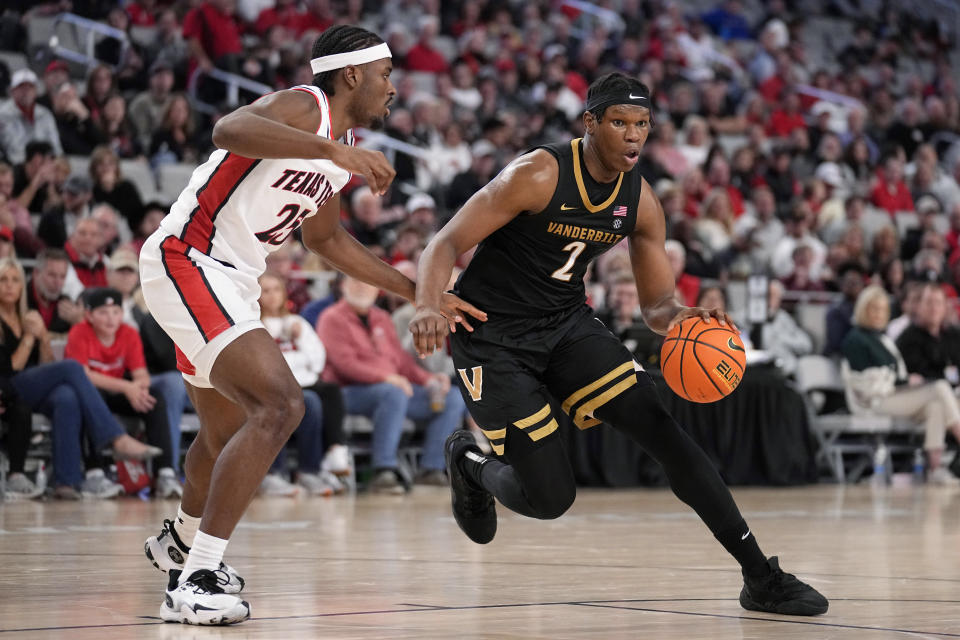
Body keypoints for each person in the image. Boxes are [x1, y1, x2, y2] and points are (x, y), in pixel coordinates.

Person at [410, 72, 828, 617]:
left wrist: (684, 319)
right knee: (551, 499)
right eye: (619, 122)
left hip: (565, 325)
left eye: (643, 125)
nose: (633, 136)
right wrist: (426, 303)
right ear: (590, 123)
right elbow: (444, 242)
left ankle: (761, 577)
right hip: (493, 338)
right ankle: (470, 465)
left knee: (662, 428)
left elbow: (656, 308)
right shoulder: (537, 174)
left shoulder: (641, 201)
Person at [137, 25, 480, 625]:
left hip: (232, 280)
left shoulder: (338, 144)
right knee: (280, 405)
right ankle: (195, 579)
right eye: (387, 73)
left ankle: (181, 540)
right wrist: (332, 152)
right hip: (188, 259)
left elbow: (326, 242)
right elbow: (227, 129)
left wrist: (421, 292)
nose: (393, 87)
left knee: (226, 432)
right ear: (352, 74)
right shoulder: (308, 107)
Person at [0, 258, 161, 499]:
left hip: (34, 385)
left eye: (15, 280)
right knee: (73, 368)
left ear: (23, 285)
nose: (10, 285)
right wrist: (29, 339)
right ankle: (115, 437)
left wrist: (43, 338)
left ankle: (66, 482)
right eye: (3, 279)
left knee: (68, 397)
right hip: (9, 388)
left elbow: (45, 364)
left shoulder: (27, 317)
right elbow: (10, 367)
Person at [318, 275, 468, 492]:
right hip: (347, 393)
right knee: (393, 392)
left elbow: (401, 360)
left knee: (452, 397)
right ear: (342, 287)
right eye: (356, 281)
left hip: (392, 390)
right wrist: (386, 377)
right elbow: (344, 364)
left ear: (376, 290)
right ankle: (383, 470)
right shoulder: (331, 318)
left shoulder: (381, 317)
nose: (362, 287)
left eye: (367, 283)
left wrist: (429, 379)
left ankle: (431, 469)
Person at [65, 287, 180, 497]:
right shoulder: (79, 332)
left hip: (116, 391)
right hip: (90, 393)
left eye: (116, 312)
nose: (111, 319)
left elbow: (141, 374)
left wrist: (139, 390)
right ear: (89, 315)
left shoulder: (128, 333)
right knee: (91, 398)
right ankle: (95, 474)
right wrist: (128, 387)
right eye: (103, 313)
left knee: (154, 398)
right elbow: (83, 376)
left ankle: (165, 473)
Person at [841, 285, 960, 485]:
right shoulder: (855, 339)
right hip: (874, 401)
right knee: (939, 388)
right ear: (863, 309)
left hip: (895, 394)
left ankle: (935, 468)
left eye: (882, 309)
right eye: (873, 309)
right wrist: (904, 380)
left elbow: (896, 372)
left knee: (936, 406)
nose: (878, 314)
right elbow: (864, 381)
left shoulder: (884, 340)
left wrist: (905, 380)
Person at [258, 272, 347, 495]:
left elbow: (317, 360)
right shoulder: (253, 325)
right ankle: (273, 475)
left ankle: (311, 470)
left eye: (276, 289)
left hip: (302, 385)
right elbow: (265, 364)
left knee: (318, 399)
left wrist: (297, 341)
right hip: (267, 388)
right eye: (265, 290)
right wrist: (296, 361)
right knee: (289, 403)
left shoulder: (297, 323)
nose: (271, 296)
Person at [26, 248, 83, 334]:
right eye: (52, 275)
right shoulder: (19, 298)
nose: (58, 282)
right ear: (36, 273)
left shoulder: (67, 304)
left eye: (62, 276)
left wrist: (78, 323)